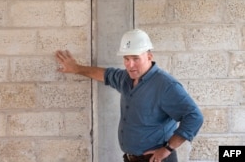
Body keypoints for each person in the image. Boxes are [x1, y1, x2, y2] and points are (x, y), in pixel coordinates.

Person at [55, 29, 204, 162]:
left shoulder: (165, 85)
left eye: (135, 58)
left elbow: (194, 116)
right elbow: (104, 74)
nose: (130, 65)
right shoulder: (125, 78)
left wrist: (167, 149)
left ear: (149, 56)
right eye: (126, 59)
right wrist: (76, 68)